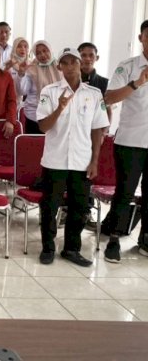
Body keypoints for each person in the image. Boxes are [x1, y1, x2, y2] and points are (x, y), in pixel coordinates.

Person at [37, 48, 108, 267]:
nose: (70, 66)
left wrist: (95, 160)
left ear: (80, 64)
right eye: (65, 63)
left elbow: (98, 129)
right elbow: (43, 126)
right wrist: (59, 108)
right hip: (55, 159)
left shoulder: (94, 94)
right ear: (59, 66)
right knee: (50, 206)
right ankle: (48, 247)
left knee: (79, 207)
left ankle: (71, 249)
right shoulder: (49, 91)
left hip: (81, 160)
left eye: (73, 62)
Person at [102, 20, 148, 262]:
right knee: (125, 192)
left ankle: (145, 240)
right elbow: (108, 99)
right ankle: (114, 239)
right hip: (131, 141)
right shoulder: (128, 67)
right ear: (141, 38)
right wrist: (137, 83)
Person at [18, 41, 61, 134]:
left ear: (50, 50)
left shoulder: (60, 67)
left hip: (57, 116)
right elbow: (22, 90)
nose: (42, 55)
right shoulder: (31, 68)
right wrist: (21, 74)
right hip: (34, 116)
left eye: (45, 51)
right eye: (38, 53)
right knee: (35, 147)